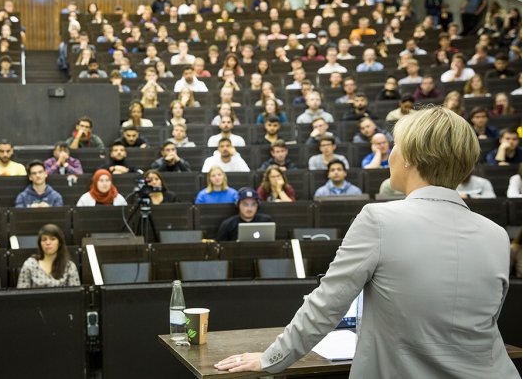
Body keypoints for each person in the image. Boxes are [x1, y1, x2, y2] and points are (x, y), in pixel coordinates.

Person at [217, 105, 518, 375]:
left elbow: (326, 305)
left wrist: (271, 359)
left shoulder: (378, 219)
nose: (391, 152)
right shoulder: (497, 235)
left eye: (396, 145)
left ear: (411, 158)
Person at [16, 224, 80, 288]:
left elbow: (76, 294)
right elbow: (21, 293)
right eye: (44, 239)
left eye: (52, 239)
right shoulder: (30, 264)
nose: (48, 243)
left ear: (60, 243)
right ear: (40, 243)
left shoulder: (69, 266)